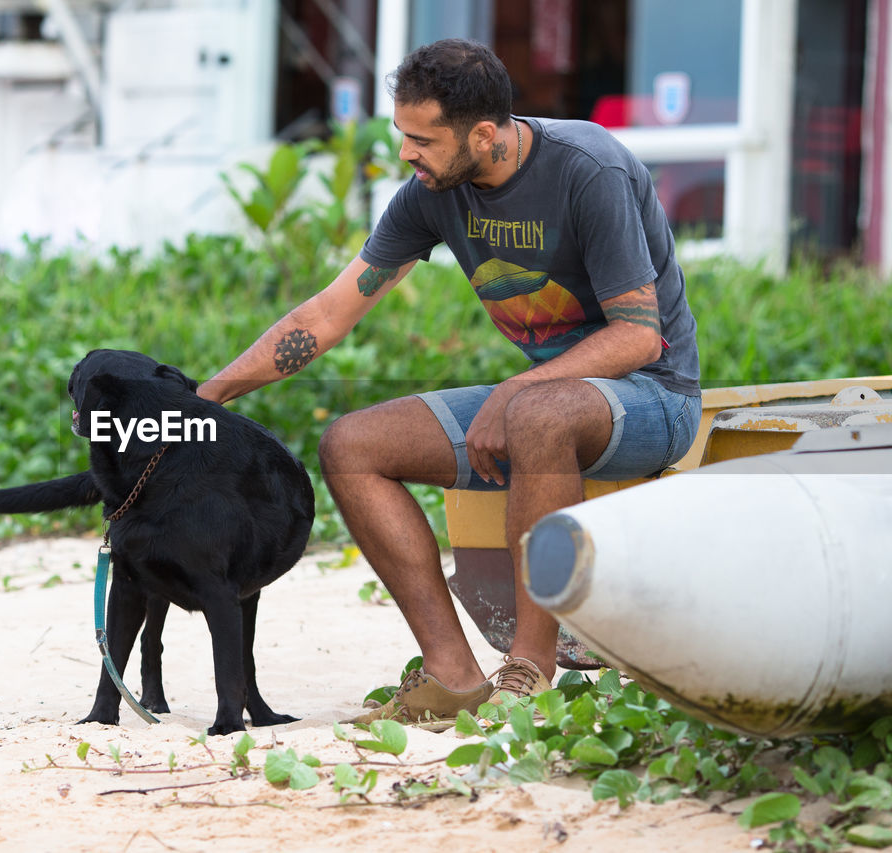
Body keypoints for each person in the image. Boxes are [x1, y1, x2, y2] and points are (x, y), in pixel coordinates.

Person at [196, 39, 701, 728]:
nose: (405, 152)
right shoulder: (433, 192)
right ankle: (454, 675)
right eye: (403, 133)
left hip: (653, 396)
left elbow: (641, 334)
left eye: (420, 138)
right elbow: (328, 311)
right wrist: (211, 395)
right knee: (353, 444)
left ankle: (528, 673)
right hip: (547, 402)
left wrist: (513, 394)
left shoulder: (589, 169)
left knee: (538, 412)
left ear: (485, 135)